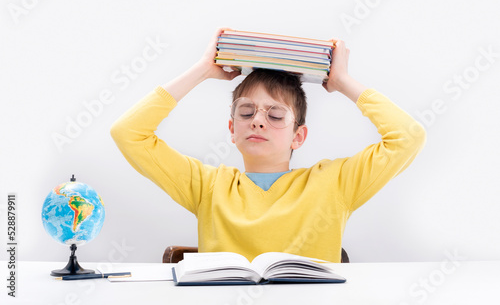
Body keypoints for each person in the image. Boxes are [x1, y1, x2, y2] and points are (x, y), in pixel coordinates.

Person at [110, 27, 426, 262]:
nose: (258, 121)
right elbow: (128, 132)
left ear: (298, 136)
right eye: (247, 112)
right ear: (232, 129)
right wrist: (203, 70)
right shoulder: (207, 186)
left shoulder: (334, 183)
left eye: (275, 115)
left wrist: (342, 81)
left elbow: (407, 136)